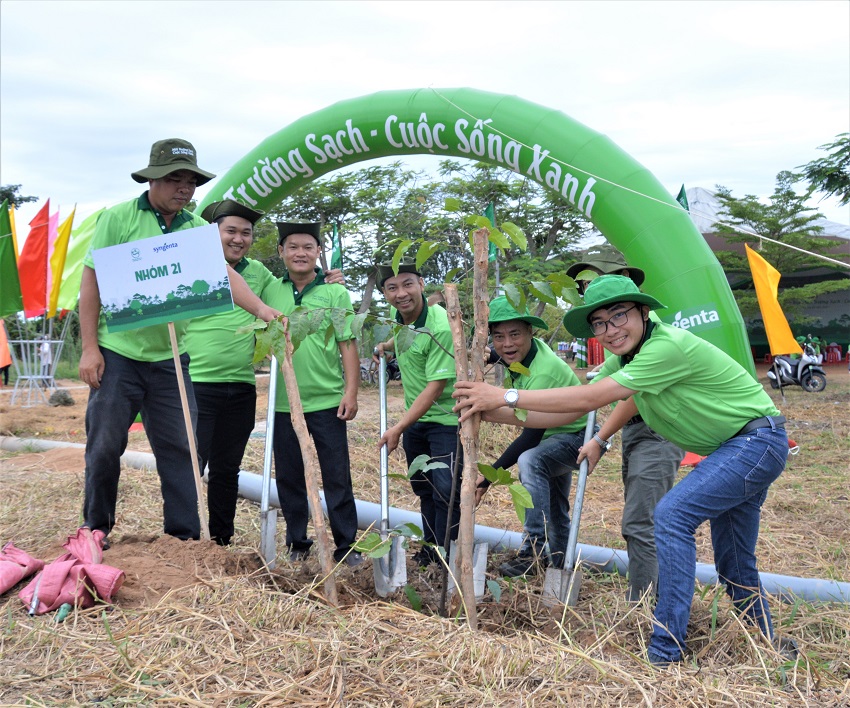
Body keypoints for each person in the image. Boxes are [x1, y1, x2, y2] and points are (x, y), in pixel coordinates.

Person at [454, 275, 789, 666]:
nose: (611, 330)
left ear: (643, 312)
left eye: (619, 316)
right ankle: (767, 642)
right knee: (733, 560)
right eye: (600, 323)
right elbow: (592, 406)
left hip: (754, 443)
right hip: (732, 451)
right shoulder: (632, 358)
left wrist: (506, 394)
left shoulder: (667, 347)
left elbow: (595, 395)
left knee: (671, 515)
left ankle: (665, 651)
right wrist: (597, 438)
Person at [79, 138, 278, 543]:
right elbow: (91, 282)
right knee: (104, 445)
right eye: (175, 179)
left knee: (182, 450)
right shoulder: (117, 219)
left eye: (191, 181)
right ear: (153, 179)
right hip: (118, 355)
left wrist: (263, 310)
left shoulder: (193, 229)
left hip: (171, 358)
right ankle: (96, 528)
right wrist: (89, 348)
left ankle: (184, 538)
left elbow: (224, 274)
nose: (184, 189)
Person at [567, 246, 684, 602]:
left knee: (641, 523)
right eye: (582, 287)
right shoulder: (624, 341)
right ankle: (652, 600)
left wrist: (601, 438)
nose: (587, 291)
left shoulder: (652, 336)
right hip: (638, 430)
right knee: (640, 522)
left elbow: (625, 394)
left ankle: (650, 609)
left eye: (593, 281)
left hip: (657, 431)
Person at [258, 221, 362, 567]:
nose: (300, 253)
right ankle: (297, 541)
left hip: (327, 400)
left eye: (308, 247)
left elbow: (348, 342)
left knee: (336, 475)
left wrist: (351, 391)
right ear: (281, 253)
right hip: (283, 402)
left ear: (319, 252)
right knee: (288, 475)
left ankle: (346, 545)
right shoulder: (271, 289)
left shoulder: (334, 292)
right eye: (292, 247)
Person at [476, 296, 591, 577]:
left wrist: (489, 477)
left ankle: (533, 553)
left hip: (575, 435)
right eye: (499, 336)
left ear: (531, 331)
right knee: (554, 505)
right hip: (554, 435)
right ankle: (561, 564)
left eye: (515, 334)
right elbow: (502, 352)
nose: (507, 344)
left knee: (530, 460)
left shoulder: (545, 373)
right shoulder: (524, 353)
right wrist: (487, 354)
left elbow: (531, 436)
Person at [373, 262, 460, 566]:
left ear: (421, 284)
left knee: (445, 489)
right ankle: (431, 549)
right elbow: (405, 341)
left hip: (446, 421)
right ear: (385, 293)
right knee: (424, 487)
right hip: (416, 421)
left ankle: (449, 556)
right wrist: (385, 346)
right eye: (392, 288)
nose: (401, 294)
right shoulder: (400, 322)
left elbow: (435, 388)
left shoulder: (438, 326)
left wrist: (398, 427)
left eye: (407, 284)